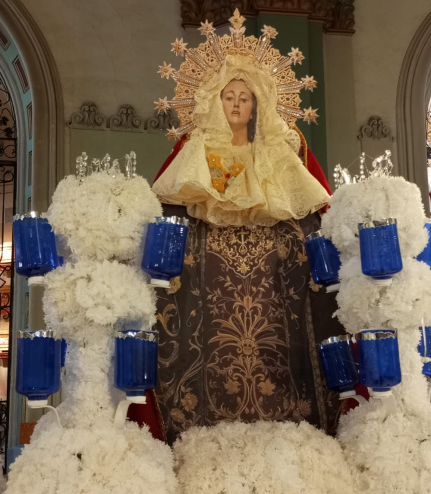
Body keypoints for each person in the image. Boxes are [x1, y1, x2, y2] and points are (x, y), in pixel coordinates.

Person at [131, 11, 349, 444]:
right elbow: (167, 218)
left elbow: (317, 212)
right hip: (207, 283)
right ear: (214, 100)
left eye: (244, 98)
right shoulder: (194, 152)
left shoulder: (283, 153)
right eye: (228, 96)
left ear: (257, 105)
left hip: (275, 285)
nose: (235, 104)